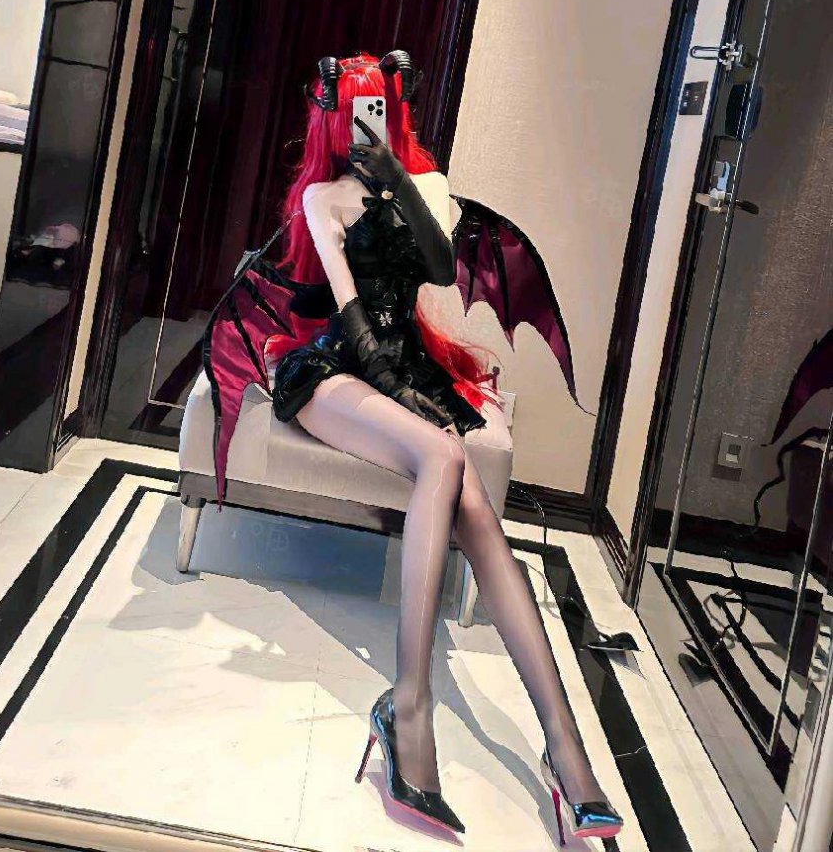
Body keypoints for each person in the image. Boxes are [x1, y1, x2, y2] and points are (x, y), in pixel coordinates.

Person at [262, 51, 624, 841]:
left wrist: (397, 178)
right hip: (339, 373)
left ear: (395, 111)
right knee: (445, 456)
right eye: (354, 112)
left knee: (478, 514)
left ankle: (563, 745)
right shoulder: (323, 197)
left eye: (378, 110)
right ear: (334, 116)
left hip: (408, 368)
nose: (365, 126)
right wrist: (400, 396)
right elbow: (351, 314)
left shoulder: (424, 187)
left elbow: (438, 265)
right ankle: (410, 705)